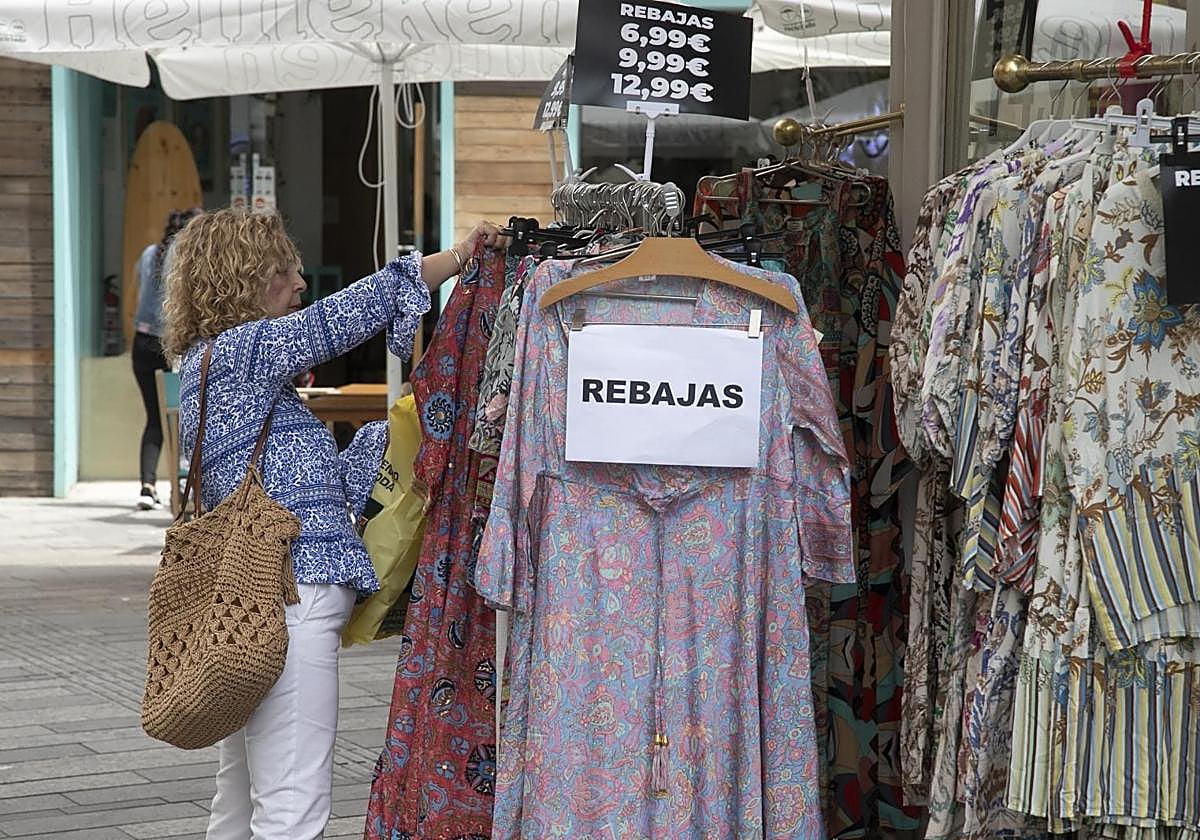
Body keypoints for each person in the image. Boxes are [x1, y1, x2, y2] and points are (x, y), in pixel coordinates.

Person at [160, 208, 508, 840]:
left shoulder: (214, 366)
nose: (299, 283)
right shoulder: (243, 354)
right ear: (246, 280)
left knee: (239, 801)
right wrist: (455, 260)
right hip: (291, 598)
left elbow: (293, 490)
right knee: (293, 805)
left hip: (256, 602)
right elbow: (336, 320)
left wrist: (381, 443)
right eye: (284, 270)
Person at [132, 207, 202, 510]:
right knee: (184, 416)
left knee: (154, 418)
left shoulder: (150, 253)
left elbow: (139, 291)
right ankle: (183, 482)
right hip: (172, 345)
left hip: (142, 341)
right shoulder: (186, 255)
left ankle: (147, 485)